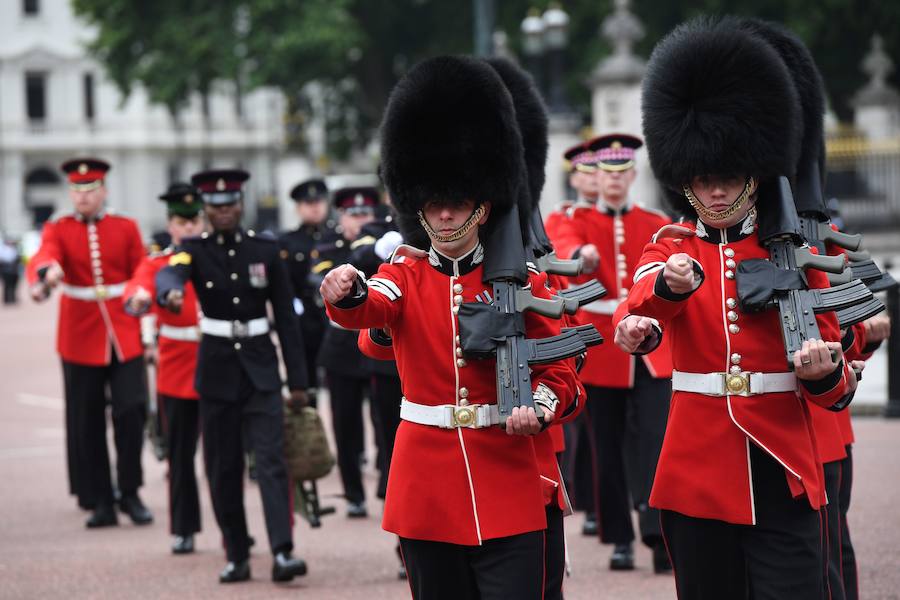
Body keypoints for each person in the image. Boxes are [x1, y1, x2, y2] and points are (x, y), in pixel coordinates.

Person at [320, 55, 578, 600]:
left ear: (481, 209)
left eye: (454, 204)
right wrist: (348, 293)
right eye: (432, 205)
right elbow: (375, 308)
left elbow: (562, 367)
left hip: (508, 470)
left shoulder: (521, 277)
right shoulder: (404, 273)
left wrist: (545, 409)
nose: (442, 216)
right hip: (428, 484)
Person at [613, 18, 855, 598]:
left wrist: (825, 373)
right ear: (685, 182)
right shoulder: (672, 245)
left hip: (784, 461)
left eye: (727, 178)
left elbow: (836, 377)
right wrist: (666, 293)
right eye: (704, 180)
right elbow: (638, 302)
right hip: (698, 466)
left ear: (753, 174)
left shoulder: (796, 252)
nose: (717, 192)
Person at [155, 168, 308, 584]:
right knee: (223, 468)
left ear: (240, 205)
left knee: (273, 463)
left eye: (229, 205)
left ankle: (282, 551)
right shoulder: (194, 249)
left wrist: (298, 381)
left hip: (261, 369)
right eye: (215, 206)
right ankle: (237, 553)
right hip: (217, 371)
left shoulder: (265, 249)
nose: (223, 212)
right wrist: (168, 292)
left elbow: (287, 322)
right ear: (206, 209)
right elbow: (171, 272)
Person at [553, 133, 674, 572]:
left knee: (657, 441)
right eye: (607, 174)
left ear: (632, 176)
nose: (615, 182)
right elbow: (564, 245)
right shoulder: (572, 217)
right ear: (595, 177)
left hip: (650, 345)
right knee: (605, 446)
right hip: (602, 346)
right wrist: (579, 255)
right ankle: (619, 536)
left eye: (622, 174)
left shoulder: (655, 220)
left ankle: (659, 532)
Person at [26, 157, 152, 528]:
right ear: (71, 193)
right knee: (87, 420)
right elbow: (45, 255)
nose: (83, 197)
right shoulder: (58, 227)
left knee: (131, 411)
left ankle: (129, 490)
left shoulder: (125, 226)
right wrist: (47, 272)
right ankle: (101, 499)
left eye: (90, 190)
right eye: (77, 191)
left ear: (103, 191)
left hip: (123, 331)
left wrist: (140, 291)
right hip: (79, 334)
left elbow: (140, 265)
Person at [124, 182, 205, 554]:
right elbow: (138, 287)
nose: (188, 228)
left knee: (225, 456)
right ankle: (183, 527)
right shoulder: (157, 263)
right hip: (176, 363)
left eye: (194, 221)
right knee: (180, 453)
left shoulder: (216, 257)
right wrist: (138, 299)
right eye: (180, 222)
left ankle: (232, 530)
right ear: (171, 225)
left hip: (218, 359)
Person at [312, 185, 380, 518]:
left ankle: (386, 481)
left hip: (379, 343)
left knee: (385, 421)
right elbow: (319, 282)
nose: (360, 220)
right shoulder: (329, 247)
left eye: (365, 213)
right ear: (341, 217)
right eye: (353, 215)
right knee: (345, 424)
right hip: (342, 344)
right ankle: (354, 492)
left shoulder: (385, 241)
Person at [279, 178, 336, 405]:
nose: (315, 206)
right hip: (305, 320)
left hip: (334, 318)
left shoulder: (336, 237)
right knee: (309, 383)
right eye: (308, 202)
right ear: (298, 207)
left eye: (319, 201)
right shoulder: (287, 242)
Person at [0, 237, 20, 304]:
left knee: (13, 285)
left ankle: (13, 298)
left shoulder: (14, 249)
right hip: (6, 270)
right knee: (6, 285)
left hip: (13, 270)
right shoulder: (3, 249)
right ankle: (6, 299)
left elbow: (17, 258)